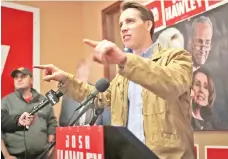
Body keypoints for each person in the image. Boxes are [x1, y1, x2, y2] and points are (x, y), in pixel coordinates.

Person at [34, 2, 195, 159]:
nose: (124, 27)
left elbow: (173, 84)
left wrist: (125, 61)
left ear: (148, 25)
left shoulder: (177, 57)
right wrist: (66, 80)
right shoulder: (122, 76)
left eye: (130, 21)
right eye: (121, 24)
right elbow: (98, 97)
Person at [1, 67, 57, 159]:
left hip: (41, 156)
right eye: (16, 77)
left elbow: (52, 124)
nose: (19, 79)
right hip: (14, 156)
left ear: (31, 80)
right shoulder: (5, 102)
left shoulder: (44, 101)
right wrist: (6, 155)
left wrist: (50, 150)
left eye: (23, 76)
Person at [59, 59, 111, 126]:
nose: (84, 72)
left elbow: (104, 120)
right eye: (82, 70)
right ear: (77, 71)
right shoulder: (68, 95)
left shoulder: (97, 92)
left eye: (86, 70)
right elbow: (63, 122)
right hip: (73, 134)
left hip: (94, 133)